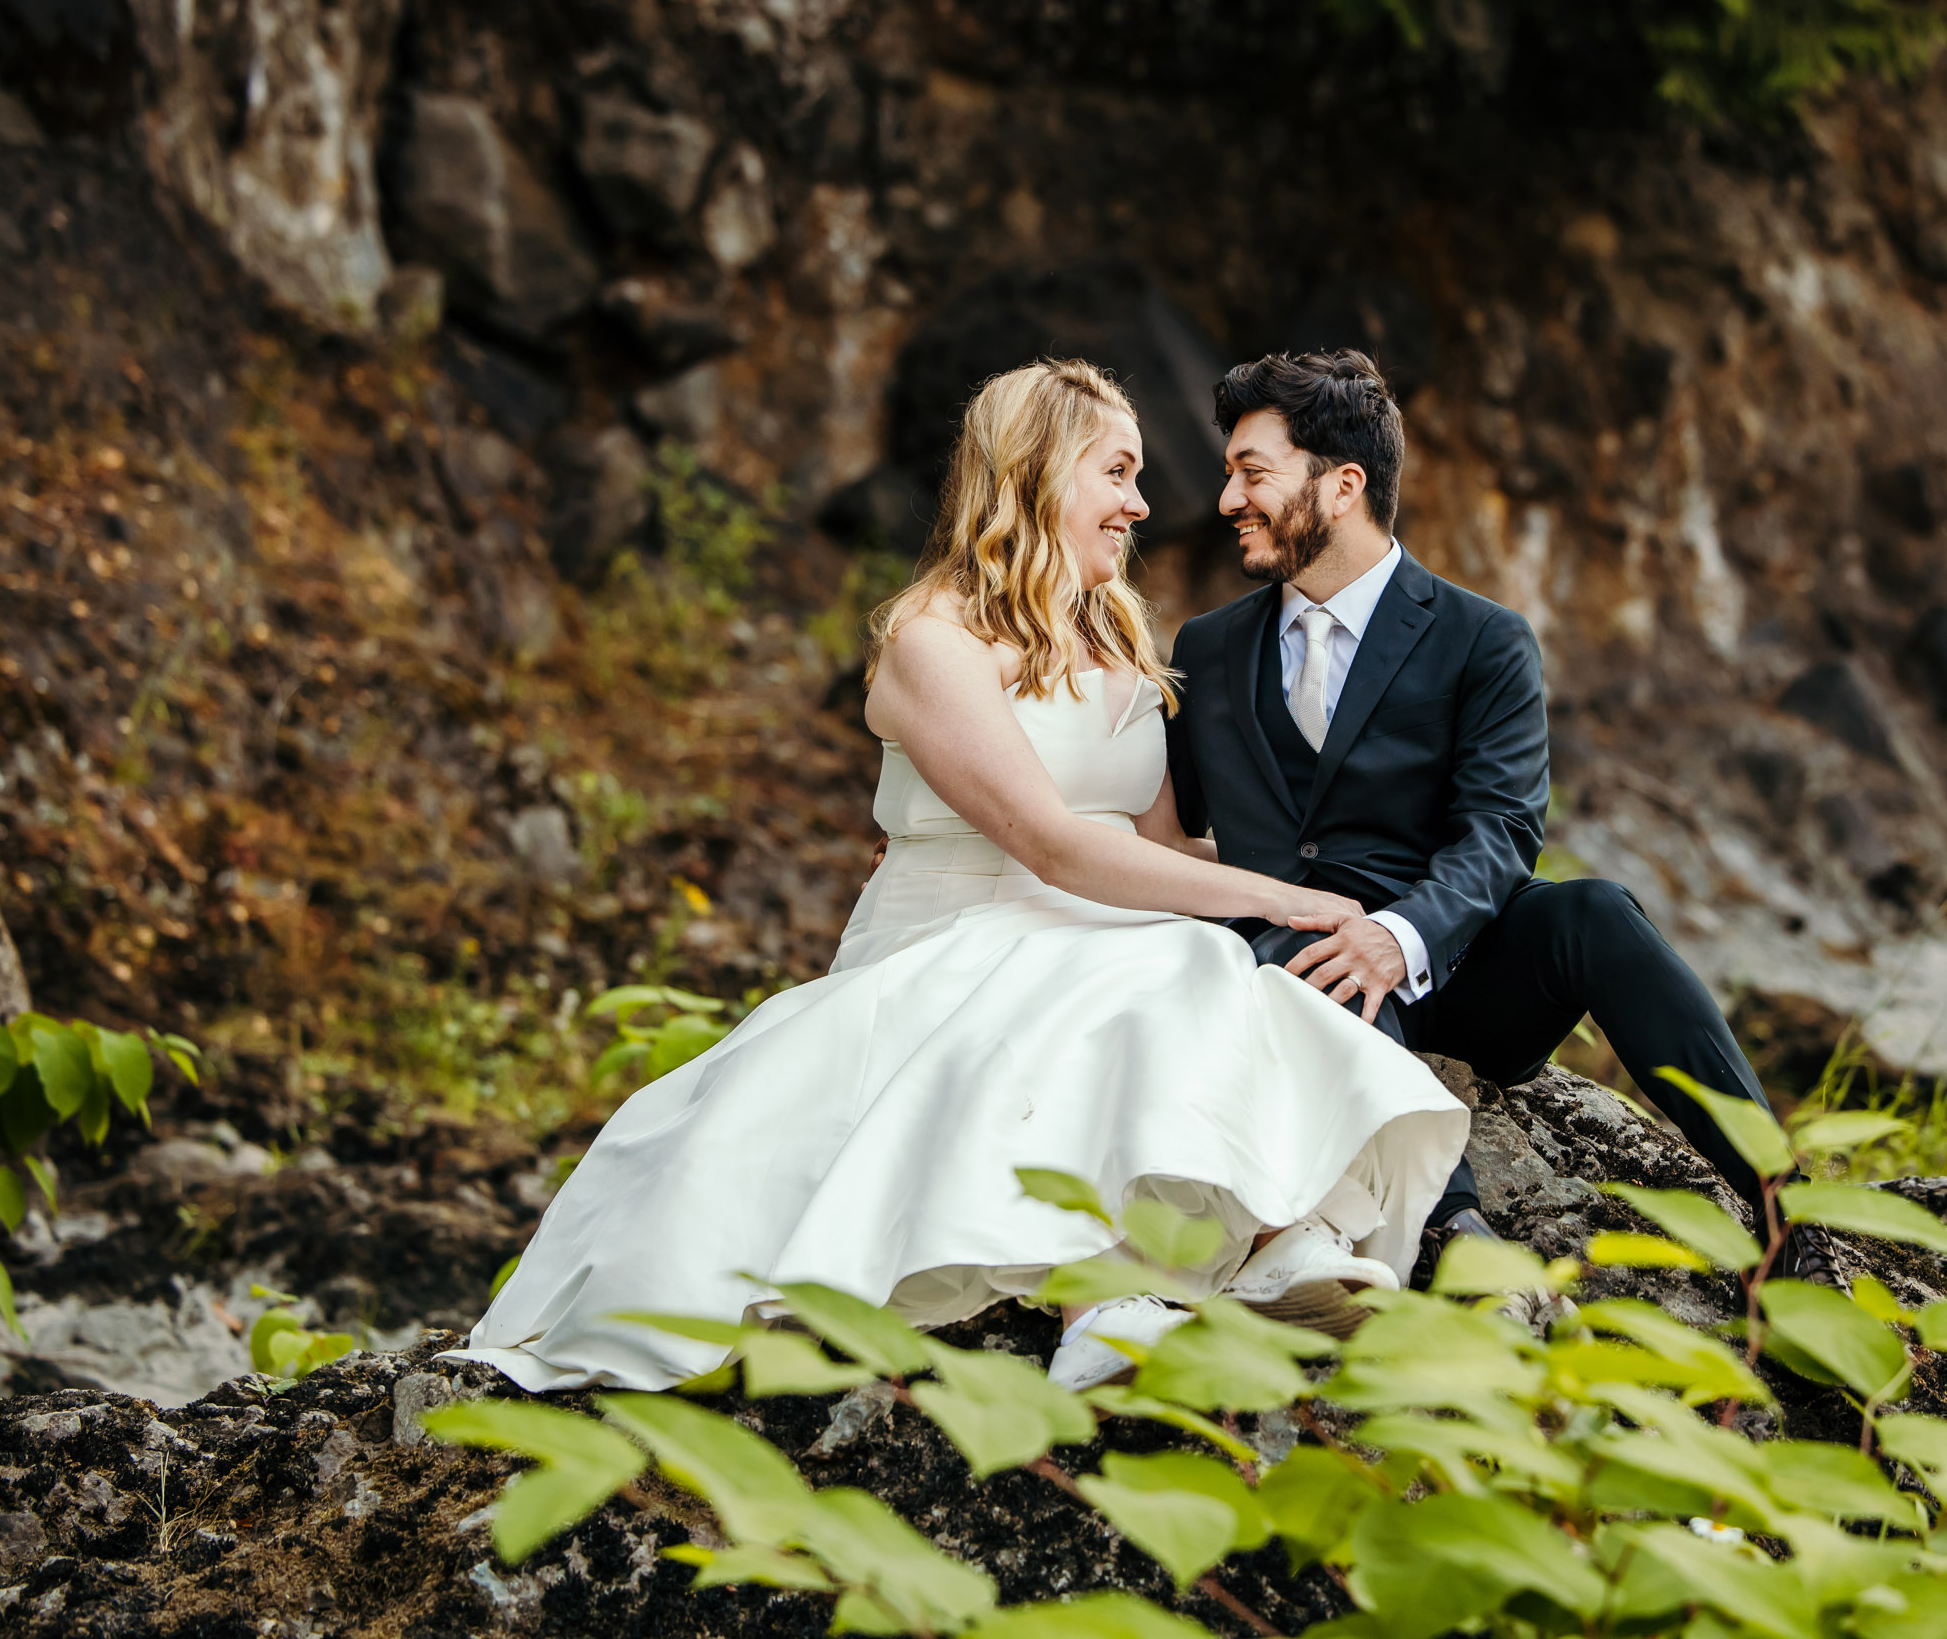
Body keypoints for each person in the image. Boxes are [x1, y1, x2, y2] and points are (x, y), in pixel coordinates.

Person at [446, 360, 1468, 1394]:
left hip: (1098, 931)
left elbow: (1156, 851)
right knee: (1167, 958)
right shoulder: (929, 642)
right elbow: (1051, 843)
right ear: (1033, 473)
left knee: (1194, 958)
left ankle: (1275, 1240)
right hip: (954, 935)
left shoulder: (1118, 635)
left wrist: (1352, 886)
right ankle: (1108, 1298)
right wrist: (1278, 894)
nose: (1142, 503)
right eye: (1116, 471)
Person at [1166, 349, 1796, 1261]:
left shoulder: (1483, 639)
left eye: (1251, 473)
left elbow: (1502, 829)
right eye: (1230, 475)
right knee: (1314, 955)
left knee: (1596, 911)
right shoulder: (1208, 647)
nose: (1227, 500)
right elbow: (1168, 824)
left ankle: (1782, 1210)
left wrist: (1401, 934)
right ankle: (1449, 1229)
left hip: (1452, 972)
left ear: (1342, 486)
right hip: (1294, 975)